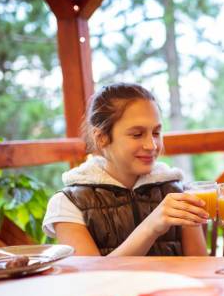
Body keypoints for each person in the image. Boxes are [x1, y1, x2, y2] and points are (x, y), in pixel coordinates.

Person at [42, 83, 208, 256]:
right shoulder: (68, 203)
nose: (151, 145)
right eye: (137, 134)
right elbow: (90, 277)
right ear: (102, 137)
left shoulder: (176, 190)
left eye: (156, 133)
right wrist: (150, 227)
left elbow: (200, 267)